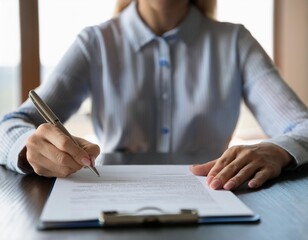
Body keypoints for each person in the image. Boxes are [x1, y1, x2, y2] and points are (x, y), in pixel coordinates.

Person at [0, 0, 308, 190]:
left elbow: (302, 126)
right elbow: (9, 126)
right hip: (109, 196)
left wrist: (278, 150)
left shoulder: (236, 42)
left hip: (215, 196)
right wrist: (30, 150)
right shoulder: (95, 43)